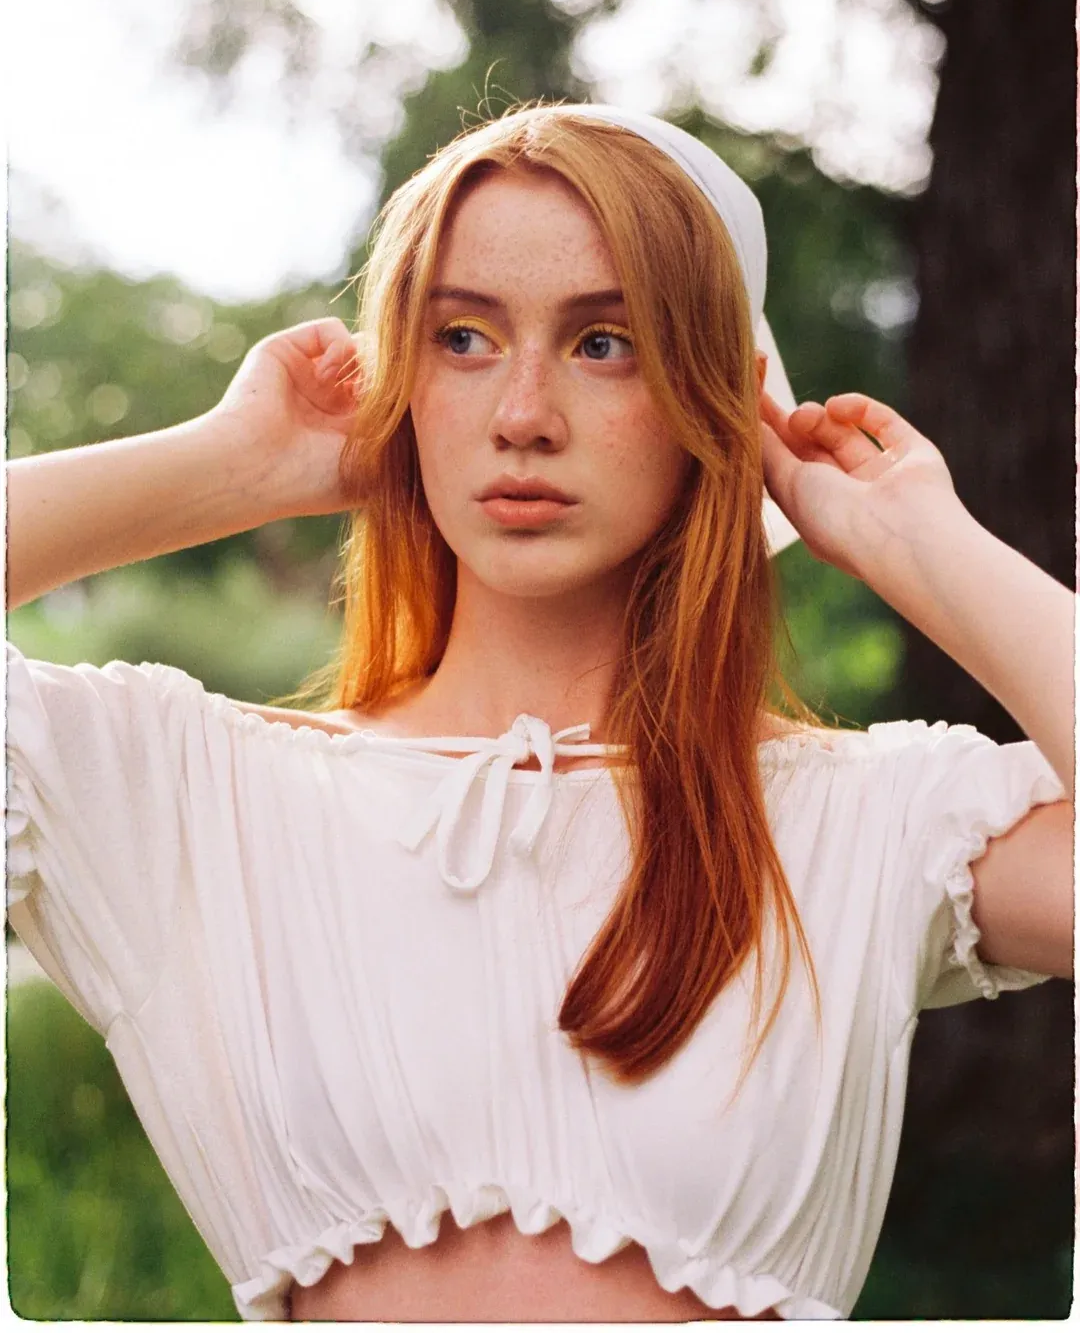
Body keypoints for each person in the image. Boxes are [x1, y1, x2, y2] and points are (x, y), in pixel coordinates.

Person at [5, 102, 1073, 1323]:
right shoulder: (177, 796)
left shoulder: (874, 820)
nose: (523, 413)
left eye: (605, 343)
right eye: (462, 337)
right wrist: (233, 465)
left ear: (712, 399)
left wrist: (917, 543)